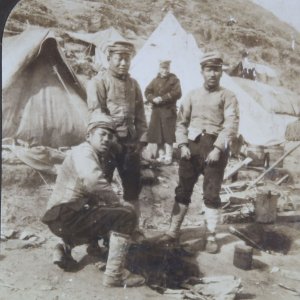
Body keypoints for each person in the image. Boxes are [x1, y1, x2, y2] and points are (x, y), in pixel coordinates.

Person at [42, 112, 145, 287]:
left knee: (103, 210)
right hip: (66, 214)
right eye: (102, 134)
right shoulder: (84, 152)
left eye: (110, 136)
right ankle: (114, 274)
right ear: (89, 136)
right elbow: (93, 181)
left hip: (61, 215)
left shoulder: (95, 154)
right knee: (126, 215)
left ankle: (65, 248)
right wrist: (118, 203)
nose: (106, 139)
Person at [159, 51, 239, 253]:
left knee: (211, 194)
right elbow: (181, 123)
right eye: (209, 70)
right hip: (191, 149)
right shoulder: (192, 95)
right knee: (183, 190)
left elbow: (231, 124)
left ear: (221, 72)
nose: (213, 74)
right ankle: (173, 231)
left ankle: (211, 235)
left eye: (216, 70)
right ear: (202, 71)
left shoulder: (228, 96)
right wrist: (182, 145)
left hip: (214, 150)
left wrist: (219, 148)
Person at [87, 40, 148, 219]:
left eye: (127, 59)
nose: (123, 63)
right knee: (100, 187)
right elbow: (96, 114)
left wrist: (141, 140)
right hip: (107, 144)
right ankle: (98, 235)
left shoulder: (134, 84)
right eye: (119, 59)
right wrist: (110, 140)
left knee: (132, 188)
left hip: (130, 145)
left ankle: (131, 229)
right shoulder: (99, 81)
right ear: (109, 58)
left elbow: (140, 114)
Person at [145, 60, 182, 164]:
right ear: (159, 68)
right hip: (156, 111)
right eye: (162, 68)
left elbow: (177, 93)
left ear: (169, 68)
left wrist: (162, 98)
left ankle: (169, 156)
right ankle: (161, 155)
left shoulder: (174, 80)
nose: (164, 70)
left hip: (168, 110)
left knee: (168, 134)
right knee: (158, 134)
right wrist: (152, 99)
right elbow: (147, 91)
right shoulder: (155, 80)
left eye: (166, 68)